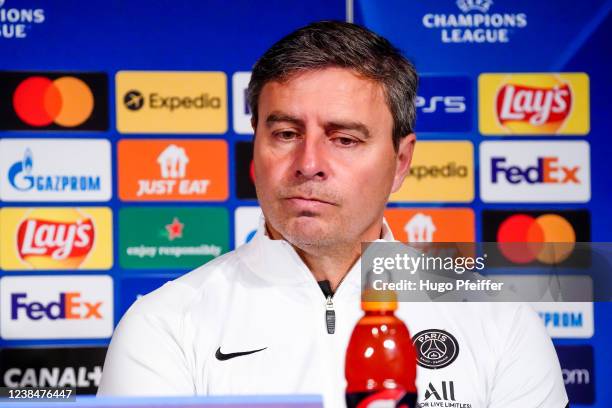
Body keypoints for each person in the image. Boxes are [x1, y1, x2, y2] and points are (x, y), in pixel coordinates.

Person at [98, 21, 568, 408]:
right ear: (254, 151)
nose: (308, 163)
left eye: (344, 139)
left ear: (400, 162)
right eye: (285, 133)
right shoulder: (165, 325)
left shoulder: (500, 319)